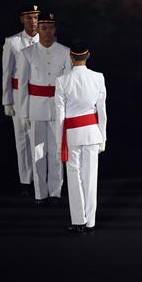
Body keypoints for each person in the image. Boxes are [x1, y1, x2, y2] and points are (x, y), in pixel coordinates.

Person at [15, 10, 71, 204]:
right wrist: (23, 113)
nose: (47, 32)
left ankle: (55, 191)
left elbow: (69, 84)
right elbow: (22, 85)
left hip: (58, 107)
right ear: (38, 29)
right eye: (43, 27)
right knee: (37, 151)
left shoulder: (64, 51)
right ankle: (40, 193)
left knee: (56, 151)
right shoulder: (27, 53)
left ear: (55, 29)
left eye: (50, 28)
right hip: (36, 107)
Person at [55, 40, 107, 233]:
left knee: (74, 177)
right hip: (92, 133)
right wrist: (103, 137)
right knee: (91, 177)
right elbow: (102, 111)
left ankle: (78, 220)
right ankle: (90, 221)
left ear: (71, 56)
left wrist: (59, 141)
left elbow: (60, 115)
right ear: (88, 55)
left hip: (72, 134)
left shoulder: (62, 80)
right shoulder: (98, 77)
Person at [1, 4, 39, 195]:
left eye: (36, 17)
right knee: (22, 138)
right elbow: (6, 73)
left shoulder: (47, 40)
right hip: (18, 94)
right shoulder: (13, 42)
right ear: (22, 19)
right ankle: (26, 180)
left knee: (40, 138)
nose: (33, 21)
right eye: (30, 17)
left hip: (39, 94)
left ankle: (41, 179)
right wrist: (7, 100)